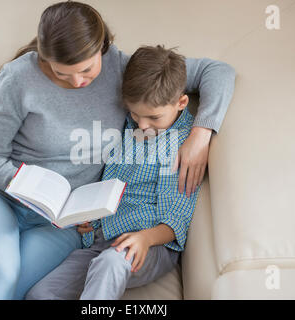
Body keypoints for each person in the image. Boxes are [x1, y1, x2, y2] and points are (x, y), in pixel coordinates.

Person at [0, 1, 236, 300]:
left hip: (61, 222)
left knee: (20, 288)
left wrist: (201, 133)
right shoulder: (18, 78)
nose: (77, 82)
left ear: (102, 47)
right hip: (1, 197)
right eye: (61, 73)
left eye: (86, 69)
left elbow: (217, 71)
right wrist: (32, 187)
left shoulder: (124, 69)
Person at [25, 45, 201, 300]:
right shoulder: (126, 127)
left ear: (181, 102)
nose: (142, 125)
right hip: (102, 240)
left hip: (150, 244)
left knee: (111, 264)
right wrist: (89, 217)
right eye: (135, 113)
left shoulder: (181, 144)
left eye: (153, 117)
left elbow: (176, 218)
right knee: (41, 294)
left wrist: (145, 239)